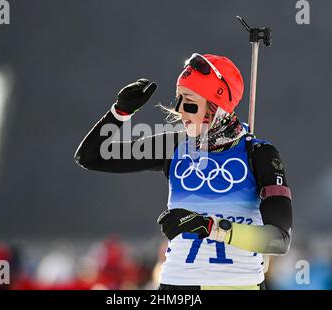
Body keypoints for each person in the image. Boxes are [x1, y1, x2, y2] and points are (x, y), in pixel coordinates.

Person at [75, 53, 293, 290]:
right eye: (178, 100)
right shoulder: (174, 146)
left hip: (236, 285)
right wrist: (120, 113)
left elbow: (278, 240)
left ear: (217, 106)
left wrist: (209, 226)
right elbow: (90, 157)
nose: (179, 111)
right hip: (175, 287)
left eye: (189, 102)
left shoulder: (258, 153)